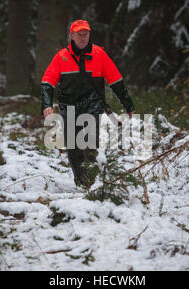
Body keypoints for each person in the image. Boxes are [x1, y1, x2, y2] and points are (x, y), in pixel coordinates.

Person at [41, 19, 135, 187]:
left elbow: (116, 81)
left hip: (93, 106)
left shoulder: (99, 54)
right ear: (72, 35)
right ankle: (81, 182)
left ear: (89, 34)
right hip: (68, 107)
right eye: (79, 34)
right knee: (73, 147)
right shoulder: (61, 56)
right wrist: (46, 105)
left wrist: (128, 105)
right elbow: (47, 82)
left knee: (89, 145)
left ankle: (90, 183)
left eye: (86, 34)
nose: (83, 37)